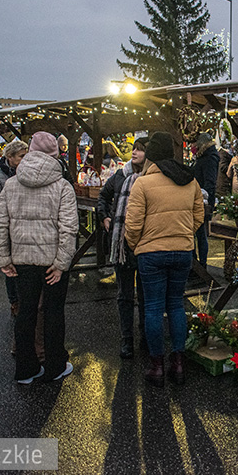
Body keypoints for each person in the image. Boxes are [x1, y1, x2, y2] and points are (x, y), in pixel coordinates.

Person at [0, 131, 78, 384]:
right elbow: (69, 227)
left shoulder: (11, 184)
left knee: (26, 312)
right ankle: (55, 366)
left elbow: (0, 224)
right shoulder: (62, 186)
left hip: (22, 259)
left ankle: (26, 369)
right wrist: (62, 263)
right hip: (52, 262)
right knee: (53, 313)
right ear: (56, 154)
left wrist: (2, 258)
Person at [125, 132, 204, 387]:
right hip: (182, 252)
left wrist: (137, 245)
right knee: (177, 305)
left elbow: (133, 224)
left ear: (151, 156)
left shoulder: (142, 184)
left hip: (151, 254)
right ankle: (178, 362)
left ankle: (156, 365)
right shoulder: (189, 181)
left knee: (153, 308)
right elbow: (199, 216)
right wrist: (182, 234)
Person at [97, 137, 149, 358]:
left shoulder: (151, 178)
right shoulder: (120, 175)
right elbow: (103, 196)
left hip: (146, 242)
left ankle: (146, 336)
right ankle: (126, 339)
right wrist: (105, 217)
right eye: (134, 149)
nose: (135, 153)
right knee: (124, 295)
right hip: (122, 244)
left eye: (140, 149)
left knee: (146, 295)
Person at [0, 139, 29, 352]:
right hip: (8, 227)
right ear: (9, 157)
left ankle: (24, 299)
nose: (24, 159)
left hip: (25, 227)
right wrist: (10, 193)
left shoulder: (29, 172)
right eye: (21, 156)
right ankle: (14, 301)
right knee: (11, 267)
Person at [192, 132, 220, 270]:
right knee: (199, 233)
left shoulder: (209, 158)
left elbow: (209, 181)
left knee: (200, 234)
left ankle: (201, 266)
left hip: (202, 200)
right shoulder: (205, 156)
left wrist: (206, 200)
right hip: (199, 197)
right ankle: (199, 265)